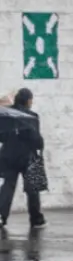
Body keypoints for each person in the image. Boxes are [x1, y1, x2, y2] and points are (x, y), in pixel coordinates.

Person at [0, 89, 45, 228]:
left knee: (8, 186)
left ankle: (1, 216)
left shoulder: (6, 114)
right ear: (28, 100)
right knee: (33, 189)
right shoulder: (31, 117)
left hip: (8, 155)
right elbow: (36, 140)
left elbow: (1, 137)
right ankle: (36, 218)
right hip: (28, 157)